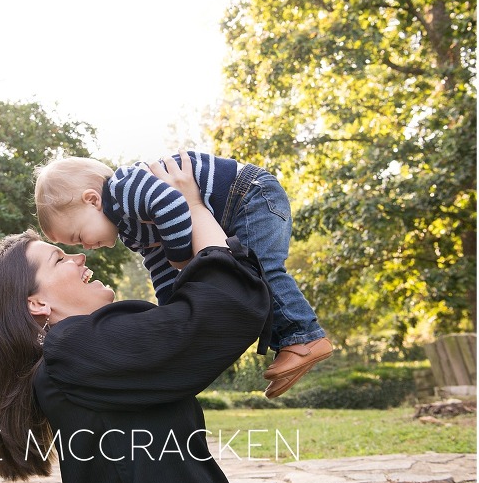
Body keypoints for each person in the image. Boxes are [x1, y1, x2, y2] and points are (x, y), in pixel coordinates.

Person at [0, 152, 273, 483]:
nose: (80, 257)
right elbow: (220, 313)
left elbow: (192, 328)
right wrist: (194, 205)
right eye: (59, 258)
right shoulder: (72, 353)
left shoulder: (75, 356)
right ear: (37, 303)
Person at [34, 150, 332, 399]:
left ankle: (303, 338)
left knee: (261, 269)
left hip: (249, 194)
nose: (86, 247)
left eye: (77, 236)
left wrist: (181, 258)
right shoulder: (130, 232)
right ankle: (293, 343)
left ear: (92, 200)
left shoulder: (125, 188)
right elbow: (159, 264)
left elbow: (174, 204)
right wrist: (173, 308)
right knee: (249, 274)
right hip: (228, 212)